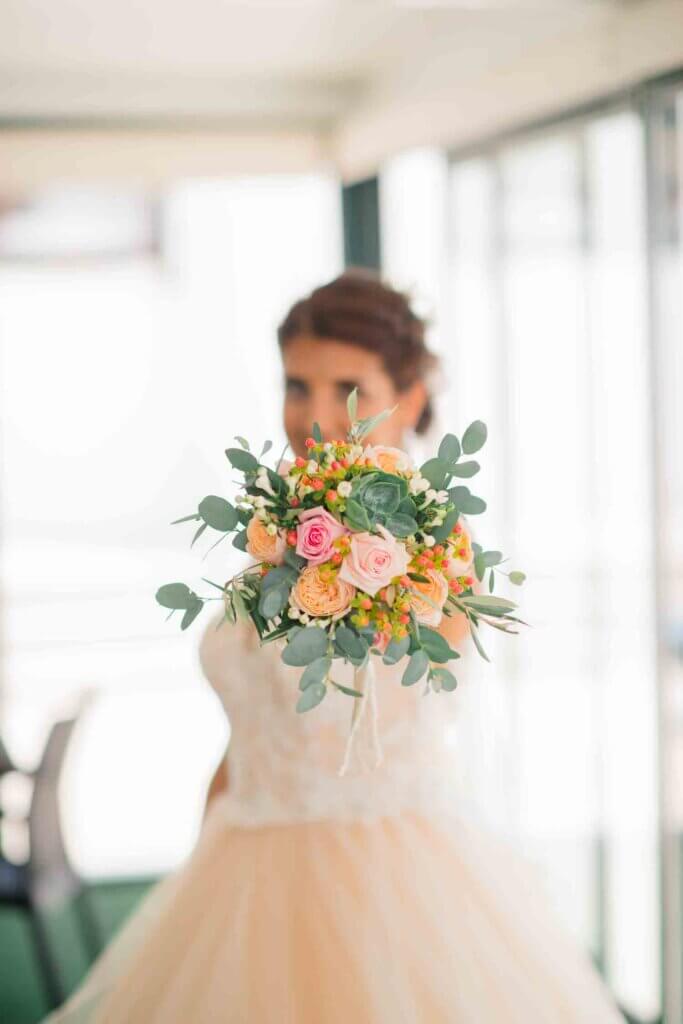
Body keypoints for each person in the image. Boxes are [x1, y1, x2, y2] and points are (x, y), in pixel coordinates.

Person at [44, 269, 625, 1022]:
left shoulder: (430, 542)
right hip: (238, 865)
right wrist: (211, 842)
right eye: (297, 385)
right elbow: (256, 727)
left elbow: (416, 682)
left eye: (347, 385)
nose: (316, 415)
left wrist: (363, 537)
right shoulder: (282, 525)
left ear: (409, 397)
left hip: (387, 885)